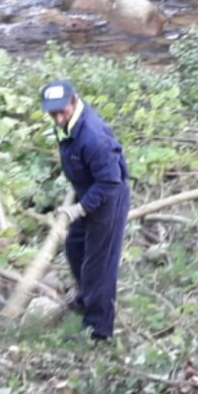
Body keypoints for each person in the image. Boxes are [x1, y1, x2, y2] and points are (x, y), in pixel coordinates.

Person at [40, 80, 131, 342]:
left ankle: (98, 330)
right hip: (87, 193)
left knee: (99, 265)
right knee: (75, 249)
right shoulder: (68, 125)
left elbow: (110, 181)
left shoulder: (94, 137)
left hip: (108, 200)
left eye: (62, 112)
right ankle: (86, 297)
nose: (58, 118)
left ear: (75, 101)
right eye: (53, 113)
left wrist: (80, 208)